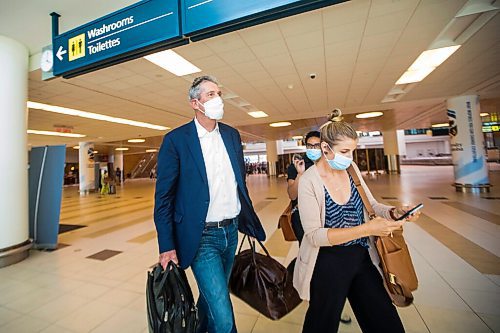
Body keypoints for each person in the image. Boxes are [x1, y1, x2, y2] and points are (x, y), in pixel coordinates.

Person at [154, 75, 266, 333]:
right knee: (224, 316)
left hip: (230, 231)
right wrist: (167, 245)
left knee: (210, 299)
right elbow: (164, 198)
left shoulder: (231, 135)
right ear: (196, 103)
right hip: (201, 237)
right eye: (211, 95)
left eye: (219, 94)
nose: (219, 99)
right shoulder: (176, 141)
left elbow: (239, 182)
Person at [294, 109, 419, 333]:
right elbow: (314, 236)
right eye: (344, 151)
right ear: (325, 148)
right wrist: (367, 229)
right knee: (321, 323)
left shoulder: (351, 170)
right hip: (327, 262)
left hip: (362, 258)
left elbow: (372, 206)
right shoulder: (309, 181)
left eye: (352, 151)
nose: (349, 157)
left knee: (384, 320)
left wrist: (395, 212)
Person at [287, 131, 352, 325]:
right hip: (303, 221)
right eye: (310, 145)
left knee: (332, 263)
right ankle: (319, 302)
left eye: (317, 145)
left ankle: (331, 303)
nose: (313, 149)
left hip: (329, 221)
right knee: (313, 260)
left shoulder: (331, 163)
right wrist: (299, 175)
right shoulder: (297, 165)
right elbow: (291, 195)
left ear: (324, 145)